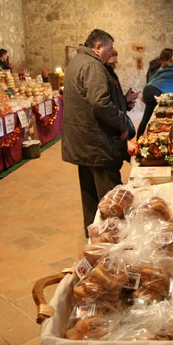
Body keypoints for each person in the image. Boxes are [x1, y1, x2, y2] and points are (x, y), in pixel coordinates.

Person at [61, 29, 132, 237]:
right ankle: (114, 242)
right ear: (98, 46)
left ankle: (94, 237)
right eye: (109, 49)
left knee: (90, 194)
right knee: (111, 199)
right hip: (96, 142)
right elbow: (100, 103)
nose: (110, 54)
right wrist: (122, 124)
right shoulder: (93, 65)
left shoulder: (77, 61)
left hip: (82, 142)